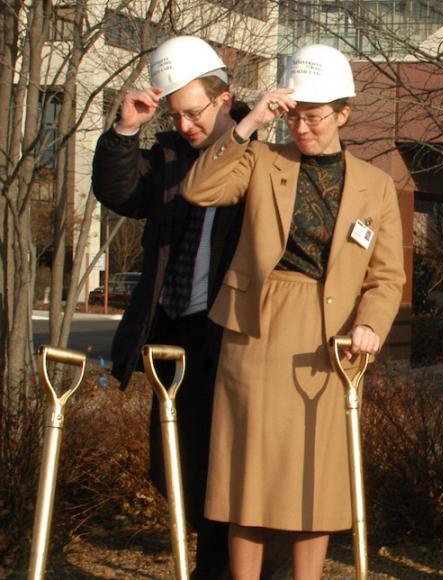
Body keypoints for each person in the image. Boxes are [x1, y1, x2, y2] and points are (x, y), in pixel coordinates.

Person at [182, 44, 405, 580]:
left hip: (331, 342)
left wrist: (370, 324)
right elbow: (199, 188)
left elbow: (387, 275)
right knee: (248, 476)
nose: (303, 128)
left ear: (343, 113)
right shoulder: (262, 159)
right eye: (296, 116)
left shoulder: (376, 185)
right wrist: (252, 121)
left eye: (315, 117)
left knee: (317, 478)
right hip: (257, 329)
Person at [92, 35, 249, 579]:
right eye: (175, 114)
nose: (184, 125)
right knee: (178, 468)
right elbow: (120, 192)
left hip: (226, 334)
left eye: (194, 112)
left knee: (222, 471)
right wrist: (126, 128)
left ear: (224, 97)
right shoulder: (167, 158)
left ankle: (223, 569)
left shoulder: (261, 158)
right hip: (170, 332)